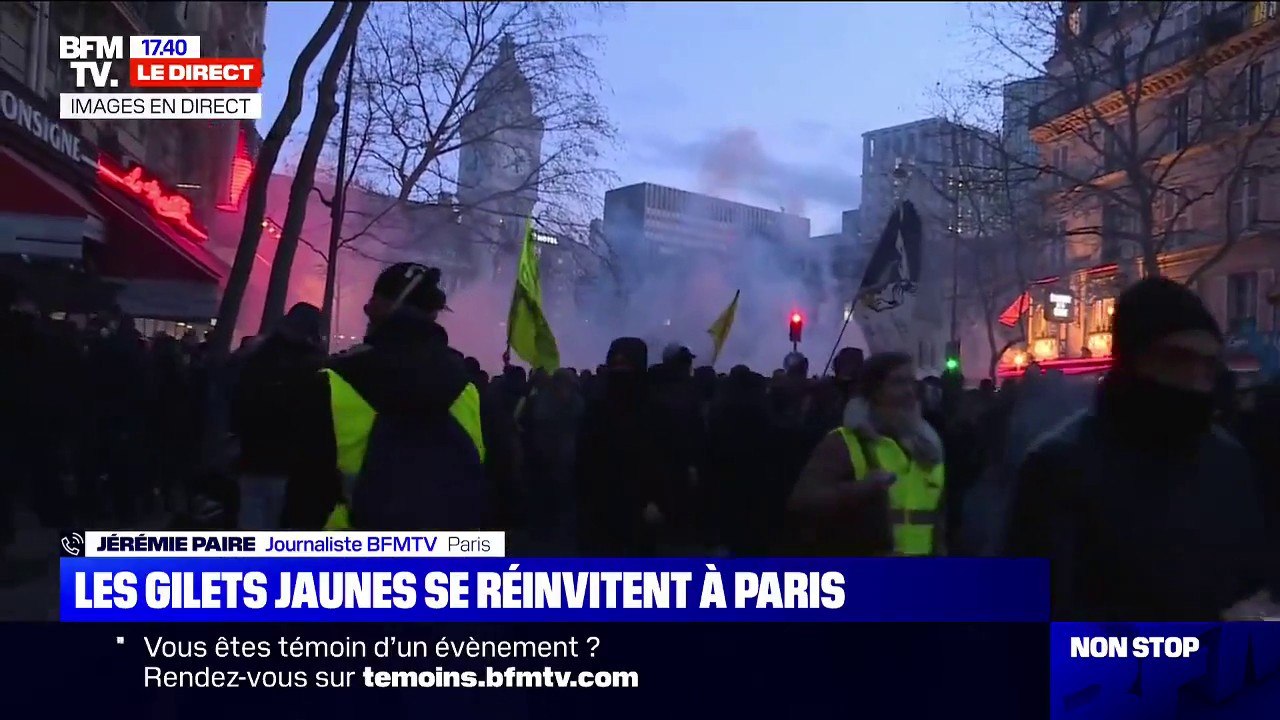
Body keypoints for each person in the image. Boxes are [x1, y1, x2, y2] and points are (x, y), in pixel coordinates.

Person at [1003, 278, 1274, 620]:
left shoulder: (1228, 462)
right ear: (1132, 359)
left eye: (1207, 364)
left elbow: (1252, 583)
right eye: (1176, 359)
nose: (1194, 377)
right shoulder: (1058, 469)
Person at [283, 263, 487, 530]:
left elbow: (306, 492)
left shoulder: (334, 381)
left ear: (380, 306)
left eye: (370, 305)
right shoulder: (469, 389)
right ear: (434, 314)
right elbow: (499, 486)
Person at [787, 351, 946, 556]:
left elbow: (937, 524)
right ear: (874, 391)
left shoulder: (929, 448)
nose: (909, 391)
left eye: (911, 382)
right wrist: (860, 489)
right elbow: (802, 502)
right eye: (898, 382)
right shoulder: (844, 442)